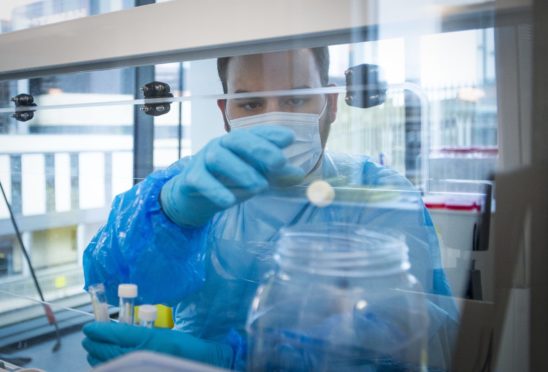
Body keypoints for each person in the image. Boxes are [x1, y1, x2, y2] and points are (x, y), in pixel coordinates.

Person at [81, 47, 458, 370]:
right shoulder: (197, 181)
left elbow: (394, 344)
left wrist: (224, 361)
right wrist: (172, 214)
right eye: (250, 103)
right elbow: (107, 279)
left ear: (330, 103)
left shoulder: (378, 194)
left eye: (295, 99)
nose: (275, 118)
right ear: (226, 112)